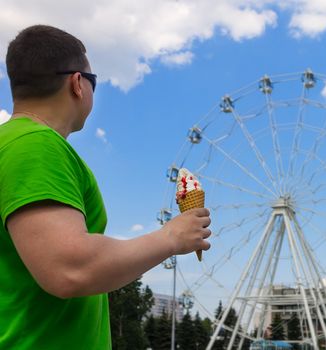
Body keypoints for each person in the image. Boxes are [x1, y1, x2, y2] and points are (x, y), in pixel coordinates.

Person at [0, 25, 211, 349]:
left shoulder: (14, 144)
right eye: (93, 81)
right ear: (78, 84)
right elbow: (69, 268)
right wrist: (171, 237)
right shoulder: (36, 146)